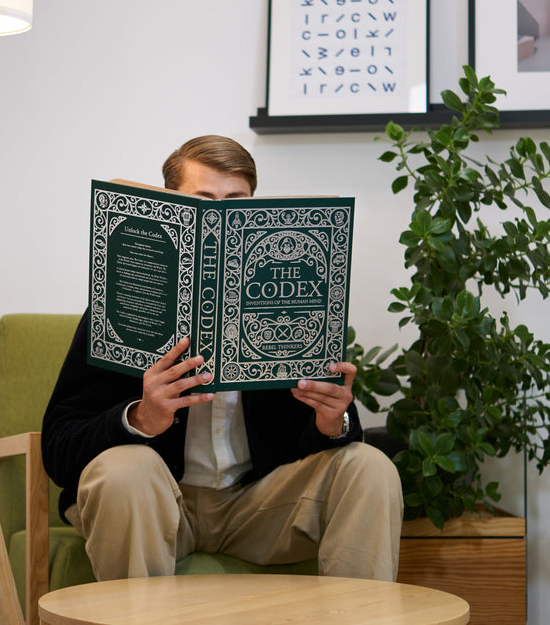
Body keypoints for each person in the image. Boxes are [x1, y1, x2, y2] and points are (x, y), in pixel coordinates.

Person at [42, 135, 403, 582]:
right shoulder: (121, 306)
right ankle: (135, 613)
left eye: (236, 203)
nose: (219, 217)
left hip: (258, 510)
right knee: (123, 471)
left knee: (370, 467)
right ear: (172, 206)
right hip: (155, 506)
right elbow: (58, 451)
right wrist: (138, 418)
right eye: (203, 201)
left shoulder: (292, 292)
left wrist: (334, 423)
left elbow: (320, 437)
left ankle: (360, 614)